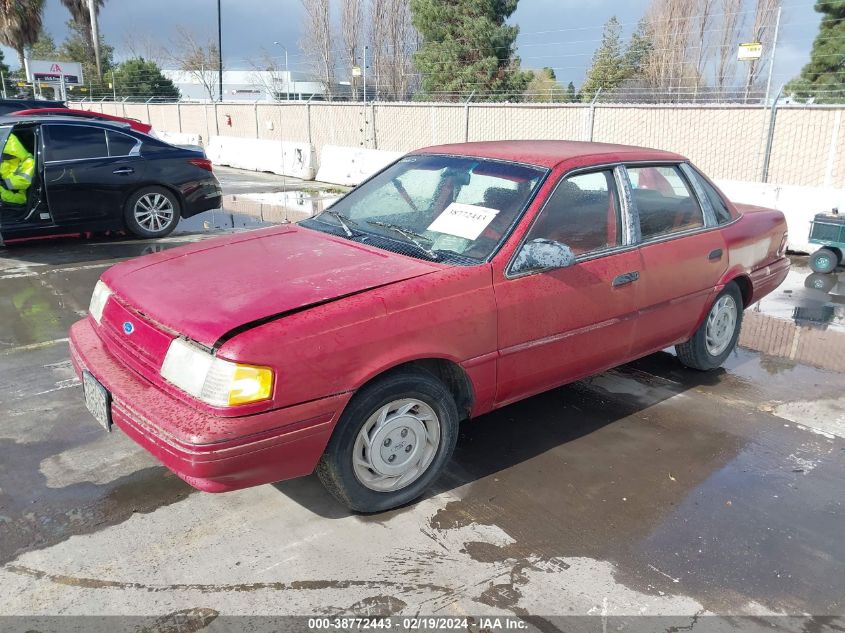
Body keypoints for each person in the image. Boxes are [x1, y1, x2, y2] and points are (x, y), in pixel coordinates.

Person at [0, 133, 35, 205]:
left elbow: (23, 182)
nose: (3, 155)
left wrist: (3, 184)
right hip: (5, 194)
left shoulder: (28, 162)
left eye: (5, 153)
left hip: (18, 198)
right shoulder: (4, 160)